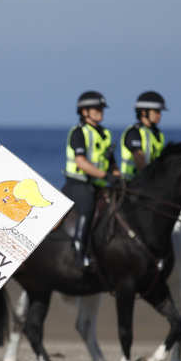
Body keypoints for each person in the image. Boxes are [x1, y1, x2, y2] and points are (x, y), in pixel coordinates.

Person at [63, 90, 121, 266]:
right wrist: (106, 176)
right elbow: (81, 162)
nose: (100, 111)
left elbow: (111, 162)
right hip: (78, 184)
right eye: (96, 108)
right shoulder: (79, 133)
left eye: (101, 108)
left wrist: (119, 178)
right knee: (88, 206)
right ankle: (79, 250)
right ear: (84, 111)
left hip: (100, 183)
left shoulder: (106, 134)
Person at [120, 90, 168, 181]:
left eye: (160, 112)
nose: (159, 115)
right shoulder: (134, 132)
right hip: (132, 184)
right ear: (143, 112)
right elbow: (140, 161)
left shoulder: (158, 134)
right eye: (156, 111)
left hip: (149, 182)